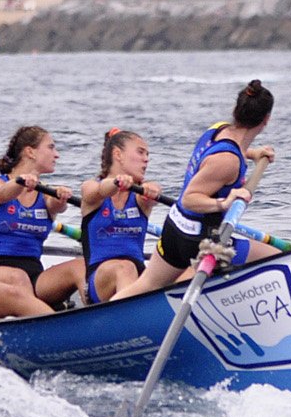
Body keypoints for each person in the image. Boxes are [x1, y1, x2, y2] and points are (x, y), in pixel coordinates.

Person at [114, 80, 280, 300]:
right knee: (278, 259)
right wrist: (224, 202)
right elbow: (190, 199)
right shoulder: (228, 162)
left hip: (175, 227)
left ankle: (97, 321)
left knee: (147, 284)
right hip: (199, 240)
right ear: (266, 120)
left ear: (235, 111)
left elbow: (228, 151)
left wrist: (254, 153)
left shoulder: (217, 129)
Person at [0, 126, 73, 320]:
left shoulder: (46, 195)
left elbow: (56, 207)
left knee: (79, 267)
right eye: (51, 147)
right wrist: (19, 182)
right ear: (30, 152)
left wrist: (61, 199)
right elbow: (2, 194)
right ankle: (53, 328)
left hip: (36, 276)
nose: (57, 154)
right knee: (18, 277)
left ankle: (102, 319)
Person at [78, 129, 162, 304]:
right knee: (124, 267)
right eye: (140, 152)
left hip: (139, 276)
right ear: (118, 154)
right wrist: (116, 183)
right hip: (99, 282)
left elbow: (153, 192)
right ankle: (129, 319)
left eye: (147, 154)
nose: (146, 159)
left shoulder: (141, 196)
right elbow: (99, 191)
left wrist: (154, 189)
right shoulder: (90, 188)